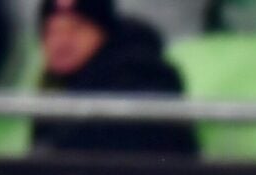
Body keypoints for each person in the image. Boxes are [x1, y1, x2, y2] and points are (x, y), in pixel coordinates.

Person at [33, 0, 198, 156]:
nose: (61, 42)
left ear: (103, 33)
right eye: (51, 31)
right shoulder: (56, 85)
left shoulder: (139, 77)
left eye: (76, 29)